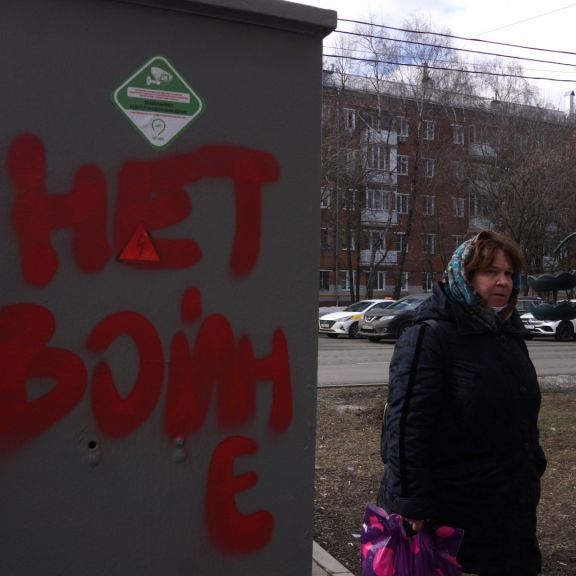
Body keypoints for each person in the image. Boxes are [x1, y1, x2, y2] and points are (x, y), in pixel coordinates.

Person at [378, 230, 547, 576]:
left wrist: (533, 461)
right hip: (451, 513)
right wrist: (412, 502)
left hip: (509, 506)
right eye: (490, 272)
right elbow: (406, 425)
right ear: (463, 276)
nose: (503, 282)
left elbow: (520, 409)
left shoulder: (506, 332)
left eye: (509, 274)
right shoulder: (430, 335)